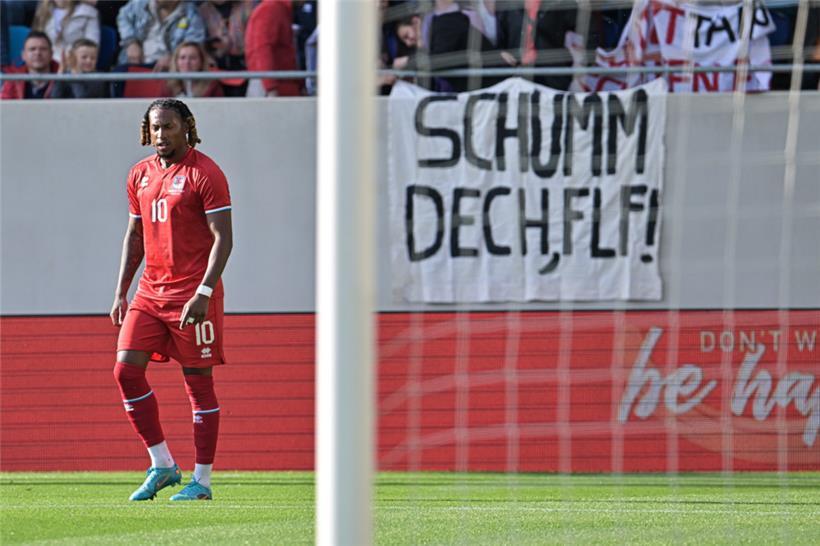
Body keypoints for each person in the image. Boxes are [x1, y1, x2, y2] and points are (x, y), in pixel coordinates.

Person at [111, 98, 233, 502]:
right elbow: (135, 237)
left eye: (168, 126)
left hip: (192, 296)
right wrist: (121, 292)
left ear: (186, 127)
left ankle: (202, 481)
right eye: (155, 128)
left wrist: (204, 292)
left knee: (197, 384)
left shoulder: (206, 173)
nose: (161, 135)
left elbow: (223, 239)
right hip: (149, 292)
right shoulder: (139, 175)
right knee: (125, 371)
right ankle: (162, 464)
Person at [116, 0, 206, 71]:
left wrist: (173, 58)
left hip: (167, 69)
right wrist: (131, 42)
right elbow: (123, 16)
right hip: (134, 62)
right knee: (119, 73)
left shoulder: (192, 14)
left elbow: (193, 44)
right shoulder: (140, 3)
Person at [243, 0, 301, 97]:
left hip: (276, 85)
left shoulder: (277, 9)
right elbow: (262, 49)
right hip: (272, 87)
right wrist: (270, 87)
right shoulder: (271, 9)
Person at [31, 0, 99, 64]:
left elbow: (92, 47)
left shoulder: (89, 13)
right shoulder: (42, 12)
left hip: (75, 68)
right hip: (46, 66)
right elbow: (34, 43)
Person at [1, 31, 59, 99]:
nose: (37, 53)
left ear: (51, 54)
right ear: (23, 55)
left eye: (43, 49)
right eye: (32, 49)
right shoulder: (13, 79)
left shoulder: (63, 77)